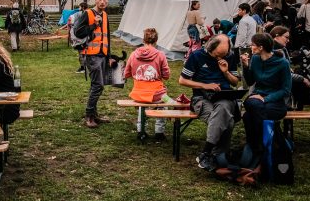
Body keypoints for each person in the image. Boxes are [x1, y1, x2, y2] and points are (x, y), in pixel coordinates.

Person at [179, 34, 241, 172]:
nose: (220, 58)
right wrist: (204, 86)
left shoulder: (229, 56)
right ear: (210, 48)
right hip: (201, 98)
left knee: (224, 107)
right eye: (217, 55)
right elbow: (182, 81)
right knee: (227, 120)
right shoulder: (196, 56)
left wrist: (226, 73)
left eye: (223, 55)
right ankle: (219, 155)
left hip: (225, 97)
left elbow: (235, 82)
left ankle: (206, 153)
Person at [240, 32, 292, 158]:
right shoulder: (256, 59)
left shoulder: (282, 63)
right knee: (250, 103)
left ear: (261, 47)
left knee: (248, 116)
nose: (251, 47)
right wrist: (246, 67)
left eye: (253, 45)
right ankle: (266, 144)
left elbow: (286, 90)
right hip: (257, 101)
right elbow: (251, 81)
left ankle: (256, 147)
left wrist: (265, 98)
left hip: (275, 102)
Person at [123, 27, 174, 142]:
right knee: (165, 101)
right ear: (156, 40)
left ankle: (141, 131)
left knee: (142, 105)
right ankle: (159, 132)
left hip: (138, 93)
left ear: (143, 40)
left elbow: (126, 73)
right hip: (157, 94)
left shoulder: (134, 54)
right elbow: (166, 75)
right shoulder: (160, 55)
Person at [73, 0, 112, 129]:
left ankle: (94, 114)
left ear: (107, 0)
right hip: (91, 54)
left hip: (102, 54)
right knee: (98, 85)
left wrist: (109, 56)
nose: (102, 2)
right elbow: (77, 32)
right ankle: (89, 116)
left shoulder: (106, 15)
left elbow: (107, 37)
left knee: (95, 85)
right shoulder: (87, 14)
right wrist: (94, 24)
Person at [269, 26, 310, 109]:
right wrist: (302, 79)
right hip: (278, 87)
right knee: (301, 80)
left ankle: (301, 104)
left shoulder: (281, 48)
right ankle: (302, 103)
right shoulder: (275, 51)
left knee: (300, 74)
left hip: (281, 84)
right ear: (277, 36)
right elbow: (284, 75)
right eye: (286, 37)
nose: (288, 40)